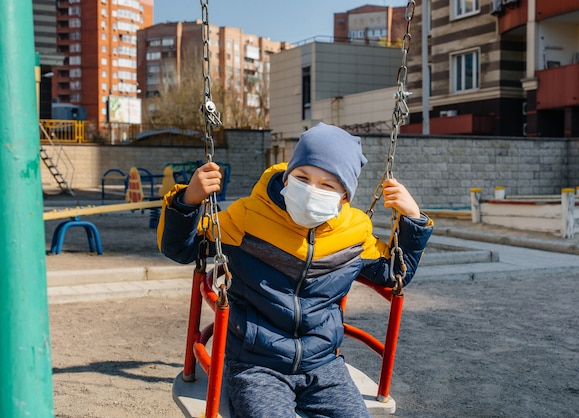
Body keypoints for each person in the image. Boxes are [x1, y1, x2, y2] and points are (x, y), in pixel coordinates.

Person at [157, 122, 433, 418]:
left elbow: (394, 276)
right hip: (257, 364)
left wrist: (413, 220)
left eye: (327, 185)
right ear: (287, 179)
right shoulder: (247, 218)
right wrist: (188, 202)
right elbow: (182, 249)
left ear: (344, 196)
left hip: (324, 366)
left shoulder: (355, 233)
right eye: (302, 177)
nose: (312, 190)